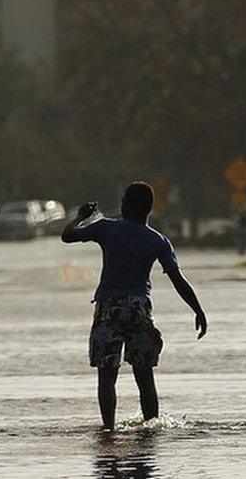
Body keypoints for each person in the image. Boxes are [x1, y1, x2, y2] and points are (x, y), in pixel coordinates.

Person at [61, 181, 207, 430]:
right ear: (149, 209)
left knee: (107, 375)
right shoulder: (158, 241)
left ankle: (108, 430)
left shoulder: (106, 229)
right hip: (139, 308)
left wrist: (80, 218)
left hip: (109, 308)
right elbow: (178, 280)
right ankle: (151, 428)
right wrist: (198, 310)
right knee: (145, 374)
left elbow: (68, 236)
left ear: (123, 205)